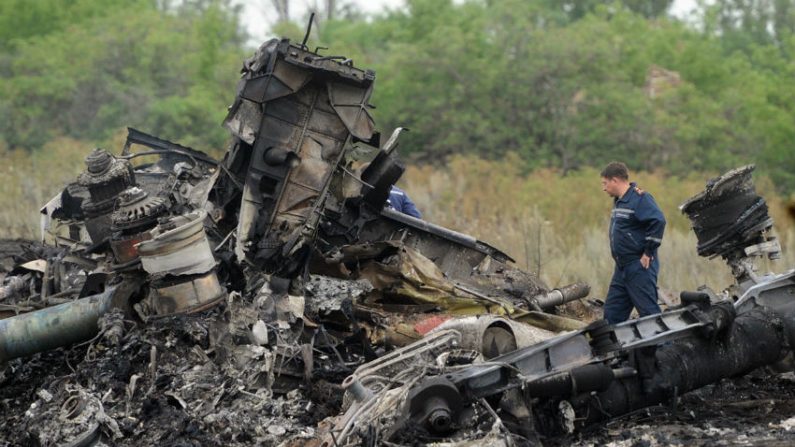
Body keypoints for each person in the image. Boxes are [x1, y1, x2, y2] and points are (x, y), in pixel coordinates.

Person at [600, 162, 666, 324]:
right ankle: (614, 349)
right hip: (621, 268)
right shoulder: (619, 201)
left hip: (638, 267)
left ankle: (666, 348)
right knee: (612, 315)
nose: (604, 188)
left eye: (605, 183)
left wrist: (648, 252)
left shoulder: (640, 198)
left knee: (649, 315)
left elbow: (658, 221)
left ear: (615, 180)